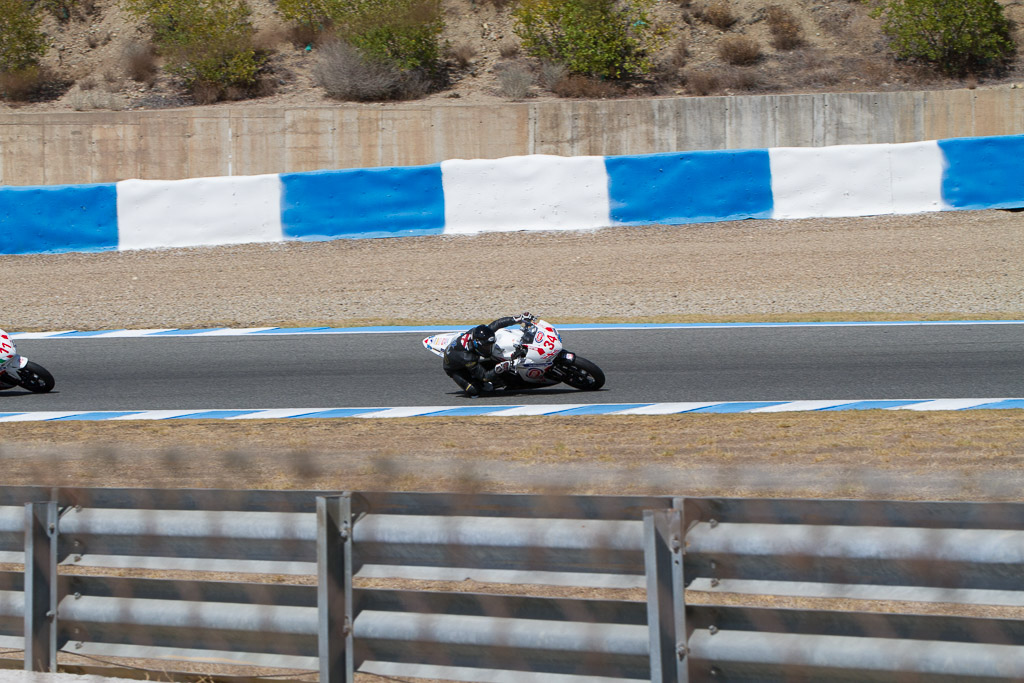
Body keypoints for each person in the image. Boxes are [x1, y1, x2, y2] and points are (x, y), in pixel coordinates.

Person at [443, 312, 536, 397]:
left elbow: (498, 323)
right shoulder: (468, 357)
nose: (489, 349)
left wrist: (518, 318)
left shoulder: (478, 333)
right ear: (476, 345)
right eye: (486, 347)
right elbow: (484, 377)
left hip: (461, 352)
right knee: (474, 391)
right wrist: (499, 369)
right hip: (455, 369)